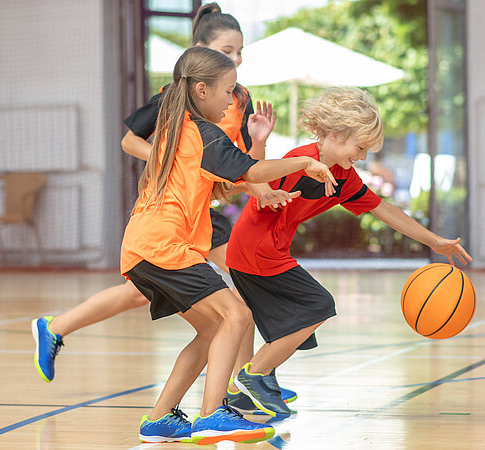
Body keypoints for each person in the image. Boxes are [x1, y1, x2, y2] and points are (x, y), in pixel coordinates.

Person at [31, 2, 300, 405]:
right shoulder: (175, 99)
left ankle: (56, 327)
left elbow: (242, 165)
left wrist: (259, 153)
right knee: (239, 295)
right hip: (174, 210)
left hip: (206, 205)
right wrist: (175, 160)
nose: (236, 59)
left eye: (240, 52)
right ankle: (243, 384)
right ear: (201, 58)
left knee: (145, 292)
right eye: (227, 51)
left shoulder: (238, 97)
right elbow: (130, 142)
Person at [120, 47, 335, 443]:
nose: (232, 101)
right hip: (164, 245)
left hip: (144, 247)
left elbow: (238, 177)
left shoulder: (176, 128)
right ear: (202, 90)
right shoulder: (203, 133)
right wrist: (303, 163)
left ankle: (160, 418)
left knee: (211, 331)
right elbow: (251, 169)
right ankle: (212, 413)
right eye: (228, 92)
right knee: (237, 313)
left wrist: (263, 185)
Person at [224, 87, 473, 417]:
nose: (363, 157)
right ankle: (253, 376)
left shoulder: (343, 177)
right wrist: (259, 144)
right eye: (361, 147)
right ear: (336, 134)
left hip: (267, 251)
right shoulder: (300, 159)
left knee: (275, 316)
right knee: (318, 305)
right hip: (256, 250)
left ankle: (245, 388)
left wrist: (433, 241)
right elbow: (257, 181)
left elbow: (383, 208)